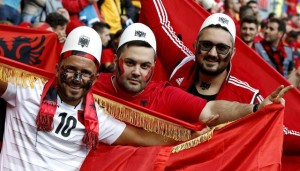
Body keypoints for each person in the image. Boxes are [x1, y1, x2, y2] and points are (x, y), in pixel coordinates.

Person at [0, 26, 203, 171]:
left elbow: (142, 138)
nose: (77, 79)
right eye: (70, 69)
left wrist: (194, 137)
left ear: (96, 78)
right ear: (57, 69)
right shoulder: (24, 88)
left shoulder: (98, 118)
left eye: (86, 73)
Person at [93, 22, 291, 128]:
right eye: (129, 63)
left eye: (144, 66)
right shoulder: (90, 85)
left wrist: (257, 108)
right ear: (116, 58)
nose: (137, 71)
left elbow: (210, 108)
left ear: (154, 67)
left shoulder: (164, 94)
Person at [169, 13, 264, 105]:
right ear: (196, 45)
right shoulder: (181, 66)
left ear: (232, 53)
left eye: (222, 48)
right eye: (206, 45)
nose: (212, 54)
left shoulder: (250, 99)